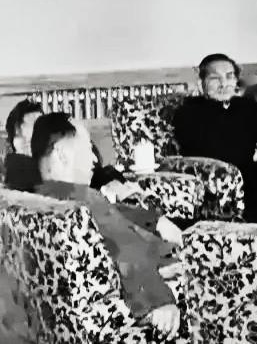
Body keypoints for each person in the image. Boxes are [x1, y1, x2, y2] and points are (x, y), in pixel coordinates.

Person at [32, 113, 184, 340]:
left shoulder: (35, 201)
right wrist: (160, 301)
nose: (94, 159)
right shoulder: (84, 198)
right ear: (62, 154)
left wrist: (155, 224)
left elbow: (112, 218)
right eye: (87, 148)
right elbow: (126, 246)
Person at [171, 53, 257, 219]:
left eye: (229, 77)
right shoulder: (188, 114)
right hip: (224, 200)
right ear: (201, 83)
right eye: (215, 78)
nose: (224, 84)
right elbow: (210, 155)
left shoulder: (245, 107)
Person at [4, 99, 144, 203]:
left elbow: (98, 171)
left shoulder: (78, 152)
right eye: (20, 134)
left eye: (37, 128)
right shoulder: (18, 176)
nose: (29, 138)